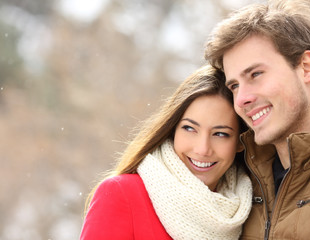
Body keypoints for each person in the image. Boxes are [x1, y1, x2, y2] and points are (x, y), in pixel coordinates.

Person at [204, 0, 310, 239]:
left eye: (256, 74)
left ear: (306, 67)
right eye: (234, 85)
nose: (242, 99)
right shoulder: (236, 177)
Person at [79, 65, 253, 240]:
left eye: (220, 134)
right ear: (173, 129)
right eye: (190, 128)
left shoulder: (251, 209)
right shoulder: (121, 193)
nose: (202, 149)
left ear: (240, 141)